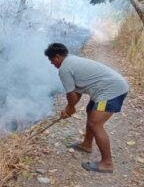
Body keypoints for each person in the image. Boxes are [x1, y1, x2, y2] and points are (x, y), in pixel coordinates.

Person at [44, 43, 129, 173]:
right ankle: (86, 145)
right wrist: (69, 108)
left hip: (111, 91)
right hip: (105, 89)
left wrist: (70, 108)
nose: (52, 64)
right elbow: (76, 92)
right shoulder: (72, 60)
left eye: (51, 61)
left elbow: (71, 95)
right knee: (90, 112)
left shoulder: (64, 69)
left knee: (95, 124)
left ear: (57, 57)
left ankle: (107, 163)